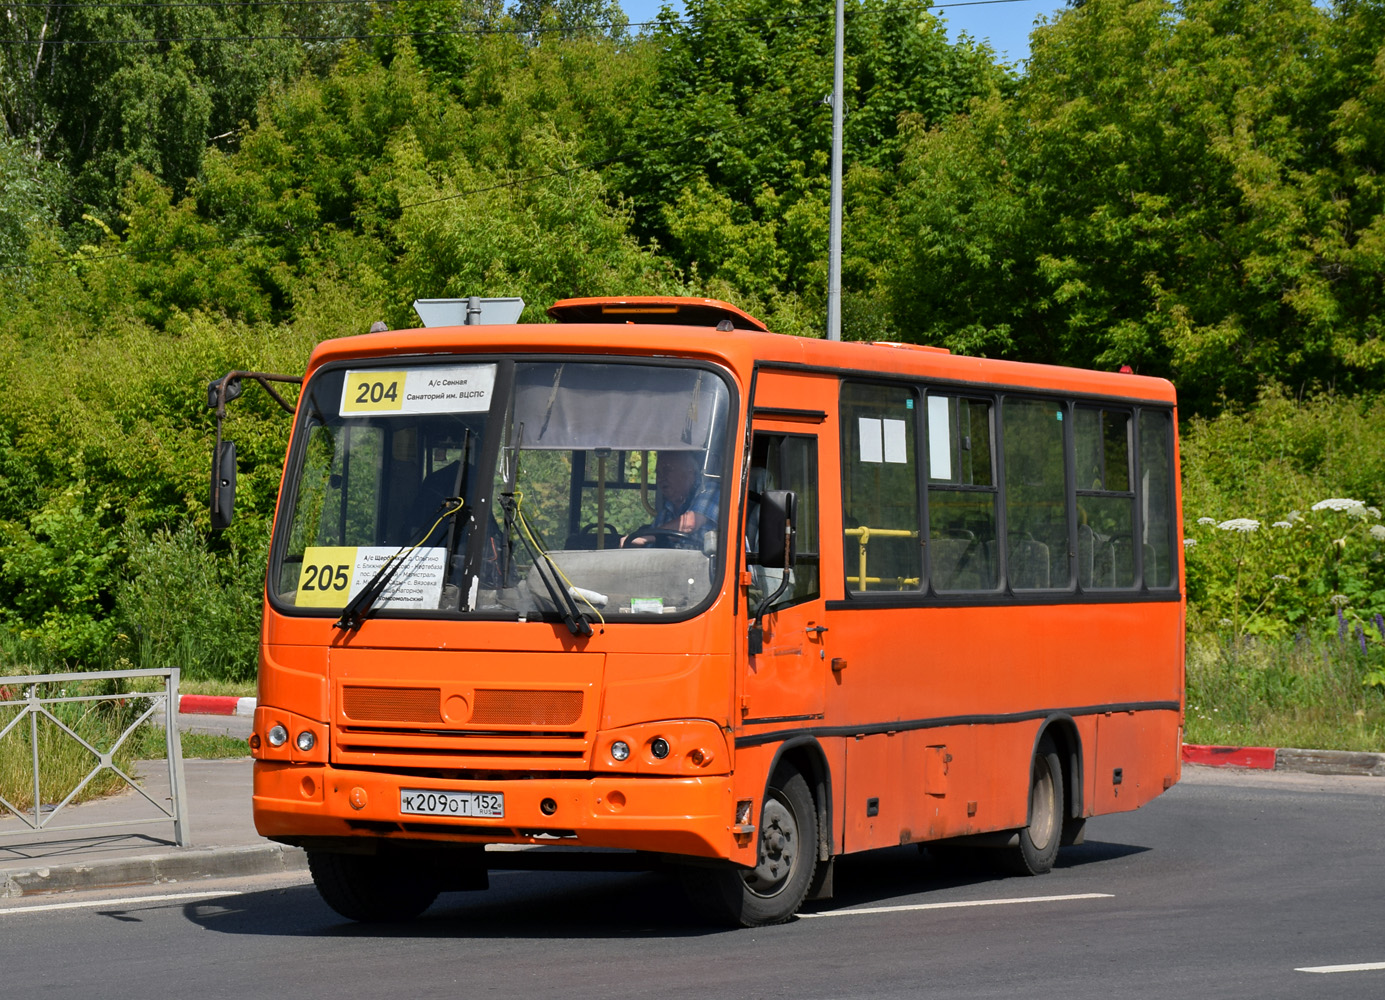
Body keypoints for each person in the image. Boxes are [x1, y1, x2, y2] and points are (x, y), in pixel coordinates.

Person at [627, 450, 718, 546]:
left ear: (689, 471)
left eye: (667, 470)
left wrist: (644, 537)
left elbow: (691, 523)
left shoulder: (709, 490)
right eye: (658, 473)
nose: (661, 477)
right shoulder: (665, 513)